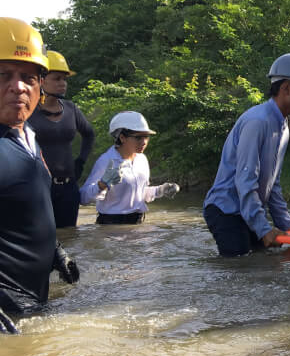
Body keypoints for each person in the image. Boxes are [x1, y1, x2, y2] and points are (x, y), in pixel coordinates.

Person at [0, 18, 79, 333]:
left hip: (31, 304)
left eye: (28, 77)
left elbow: (28, 209)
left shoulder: (28, 134)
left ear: (39, 85)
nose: (18, 86)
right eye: (3, 75)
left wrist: (56, 252)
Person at [204, 53, 290, 256]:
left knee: (261, 266)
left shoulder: (283, 127)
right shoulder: (258, 122)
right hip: (227, 210)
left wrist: (286, 223)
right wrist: (263, 228)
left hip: (247, 210)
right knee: (241, 271)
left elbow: (273, 183)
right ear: (285, 88)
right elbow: (245, 179)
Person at [27, 50, 95, 227]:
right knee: (41, 238)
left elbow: (89, 134)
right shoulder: (27, 111)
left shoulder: (71, 109)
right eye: (57, 78)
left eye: (65, 79)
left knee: (69, 238)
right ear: (41, 80)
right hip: (37, 188)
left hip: (68, 188)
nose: (63, 84)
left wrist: (81, 161)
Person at [80, 112, 179, 224]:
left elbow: (139, 193)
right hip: (111, 227)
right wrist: (102, 185)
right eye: (138, 138)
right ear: (122, 137)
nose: (144, 142)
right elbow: (83, 197)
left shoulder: (142, 159)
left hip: (138, 224)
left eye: (146, 136)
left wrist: (160, 190)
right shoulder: (106, 161)